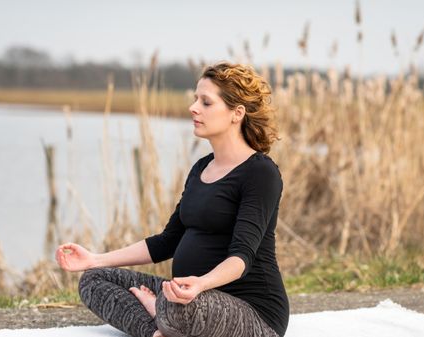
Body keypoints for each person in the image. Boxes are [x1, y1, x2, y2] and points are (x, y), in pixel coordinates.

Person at [55, 62, 289, 337]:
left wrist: (199, 285)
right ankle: (158, 330)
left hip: (252, 313)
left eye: (206, 102)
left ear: (236, 113)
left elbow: (242, 258)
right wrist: (95, 259)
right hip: (186, 296)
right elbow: (168, 241)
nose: (193, 108)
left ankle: (161, 314)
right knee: (94, 280)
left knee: (177, 307)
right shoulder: (201, 168)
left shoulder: (260, 172)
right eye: (194, 99)